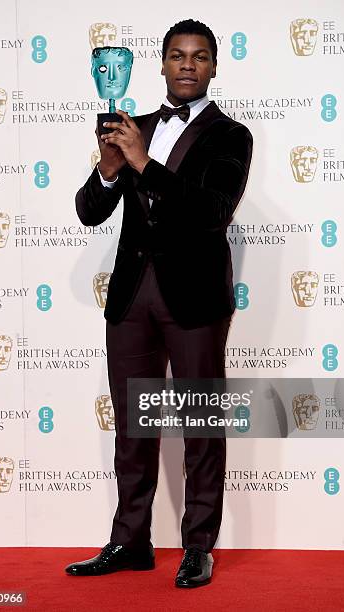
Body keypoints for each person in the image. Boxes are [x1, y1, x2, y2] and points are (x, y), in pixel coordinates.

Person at [65, 18, 253, 588]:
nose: (188, 65)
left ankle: (199, 546)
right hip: (131, 297)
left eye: (200, 56)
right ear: (162, 64)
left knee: (199, 423)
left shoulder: (232, 136)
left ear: (215, 67)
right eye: (177, 55)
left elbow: (211, 212)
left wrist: (145, 163)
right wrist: (109, 169)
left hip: (194, 298)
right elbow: (89, 211)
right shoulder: (133, 125)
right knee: (132, 426)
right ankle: (130, 541)